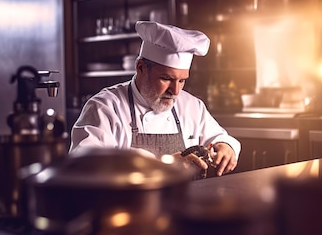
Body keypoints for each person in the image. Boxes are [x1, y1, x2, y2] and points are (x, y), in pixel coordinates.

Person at [69, 21, 240, 176]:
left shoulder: (192, 106)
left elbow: (218, 137)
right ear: (141, 68)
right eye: (166, 78)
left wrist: (225, 146)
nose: (175, 91)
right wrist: (160, 165)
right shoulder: (105, 107)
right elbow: (85, 165)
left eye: (181, 80)